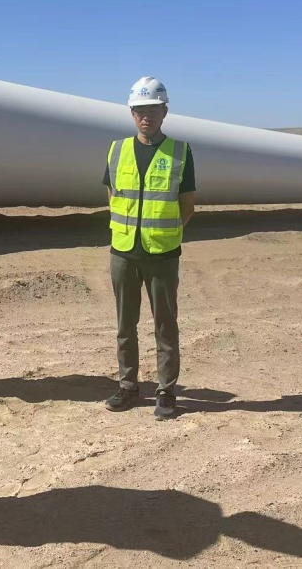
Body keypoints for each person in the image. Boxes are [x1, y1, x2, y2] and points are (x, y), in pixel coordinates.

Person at [102, 76, 195, 420]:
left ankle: (166, 391)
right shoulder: (117, 150)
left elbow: (187, 206)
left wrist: (162, 233)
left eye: (153, 109)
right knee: (125, 325)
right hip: (123, 252)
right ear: (131, 112)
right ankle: (128, 386)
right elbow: (112, 196)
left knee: (165, 326)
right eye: (140, 110)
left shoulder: (180, 151)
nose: (146, 116)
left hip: (162, 254)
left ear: (164, 111)